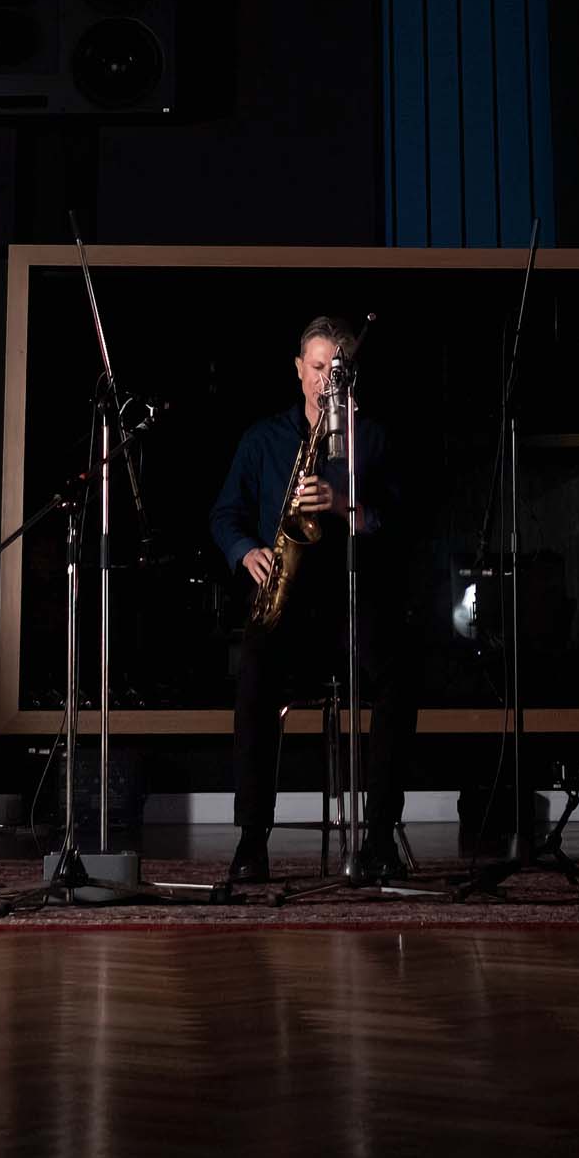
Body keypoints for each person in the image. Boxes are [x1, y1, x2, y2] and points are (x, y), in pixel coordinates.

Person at [209, 315, 416, 880]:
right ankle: (252, 839)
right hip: (287, 599)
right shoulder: (262, 439)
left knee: (399, 677)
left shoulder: (373, 438)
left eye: (337, 370)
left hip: (354, 599)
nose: (326, 380)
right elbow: (224, 514)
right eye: (318, 367)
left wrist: (347, 507)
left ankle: (379, 838)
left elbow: (399, 524)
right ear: (299, 369)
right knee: (254, 675)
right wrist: (246, 552)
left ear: (351, 377)